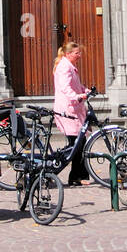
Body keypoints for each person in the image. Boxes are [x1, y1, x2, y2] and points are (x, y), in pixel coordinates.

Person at [53, 40, 89, 185]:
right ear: (68, 54)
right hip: (67, 110)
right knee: (76, 143)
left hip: (73, 109)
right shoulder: (64, 67)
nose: (79, 55)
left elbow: (75, 84)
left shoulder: (69, 66)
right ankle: (75, 176)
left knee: (80, 142)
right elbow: (65, 87)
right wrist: (76, 96)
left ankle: (79, 176)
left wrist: (84, 90)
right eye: (76, 53)